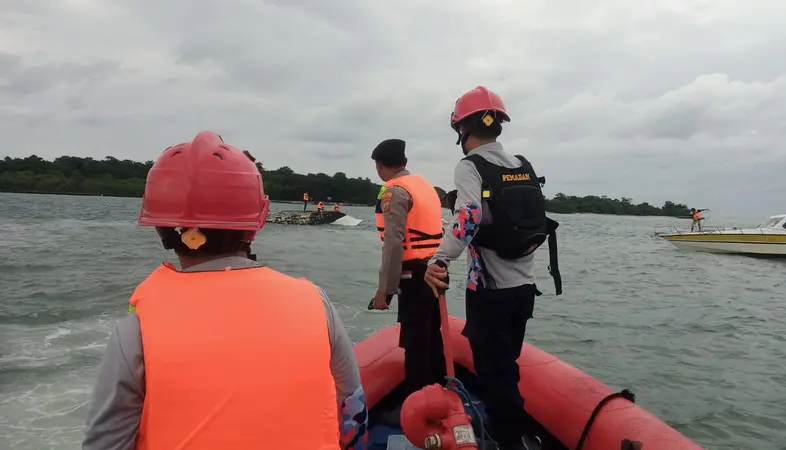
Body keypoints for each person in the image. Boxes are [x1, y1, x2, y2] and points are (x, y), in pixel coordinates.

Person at [82, 132, 368, 450]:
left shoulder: (135, 330)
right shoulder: (315, 303)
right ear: (256, 222)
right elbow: (352, 409)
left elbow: (105, 441)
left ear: (161, 228)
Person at [424, 86, 559, 450]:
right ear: (499, 124)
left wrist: (439, 259)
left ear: (461, 130)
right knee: (506, 366)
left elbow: (468, 218)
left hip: (490, 293)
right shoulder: (521, 165)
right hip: (525, 290)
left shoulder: (470, 166)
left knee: (494, 373)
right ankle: (514, 431)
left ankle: (507, 440)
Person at [370, 138, 447, 397]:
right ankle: (440, 392)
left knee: (414, 341)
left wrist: (385, 290)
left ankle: (418, 402)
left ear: (380, 166)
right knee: (432, 334)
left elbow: (393, 244)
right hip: (437, 268)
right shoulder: (424, 186)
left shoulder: (394, 192)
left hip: (413, 273)